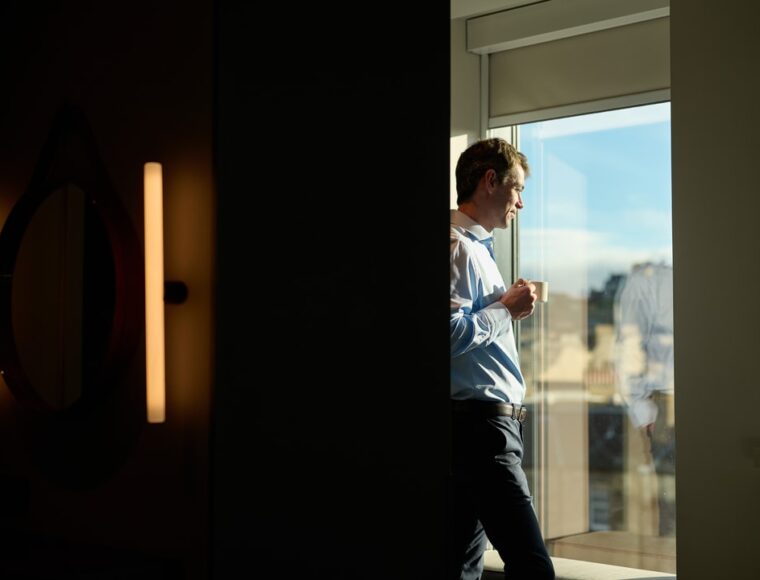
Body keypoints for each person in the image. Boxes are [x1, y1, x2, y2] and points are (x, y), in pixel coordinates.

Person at [449, 138, 555, 580]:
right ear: (490, 181)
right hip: (482, 433)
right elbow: (447, 335)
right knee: (533, 569)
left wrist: (504, 311)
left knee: (460, 568)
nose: (521, 203)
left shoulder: (476, 251)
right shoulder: (457, 247)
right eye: (517, 188)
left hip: (481, 429)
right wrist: (506, 310)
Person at [614, 261, 676, 537]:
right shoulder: (648, 280)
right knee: (675, 508)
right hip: (667, 404)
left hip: (714, 397)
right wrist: (644, 410)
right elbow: (629, 346)